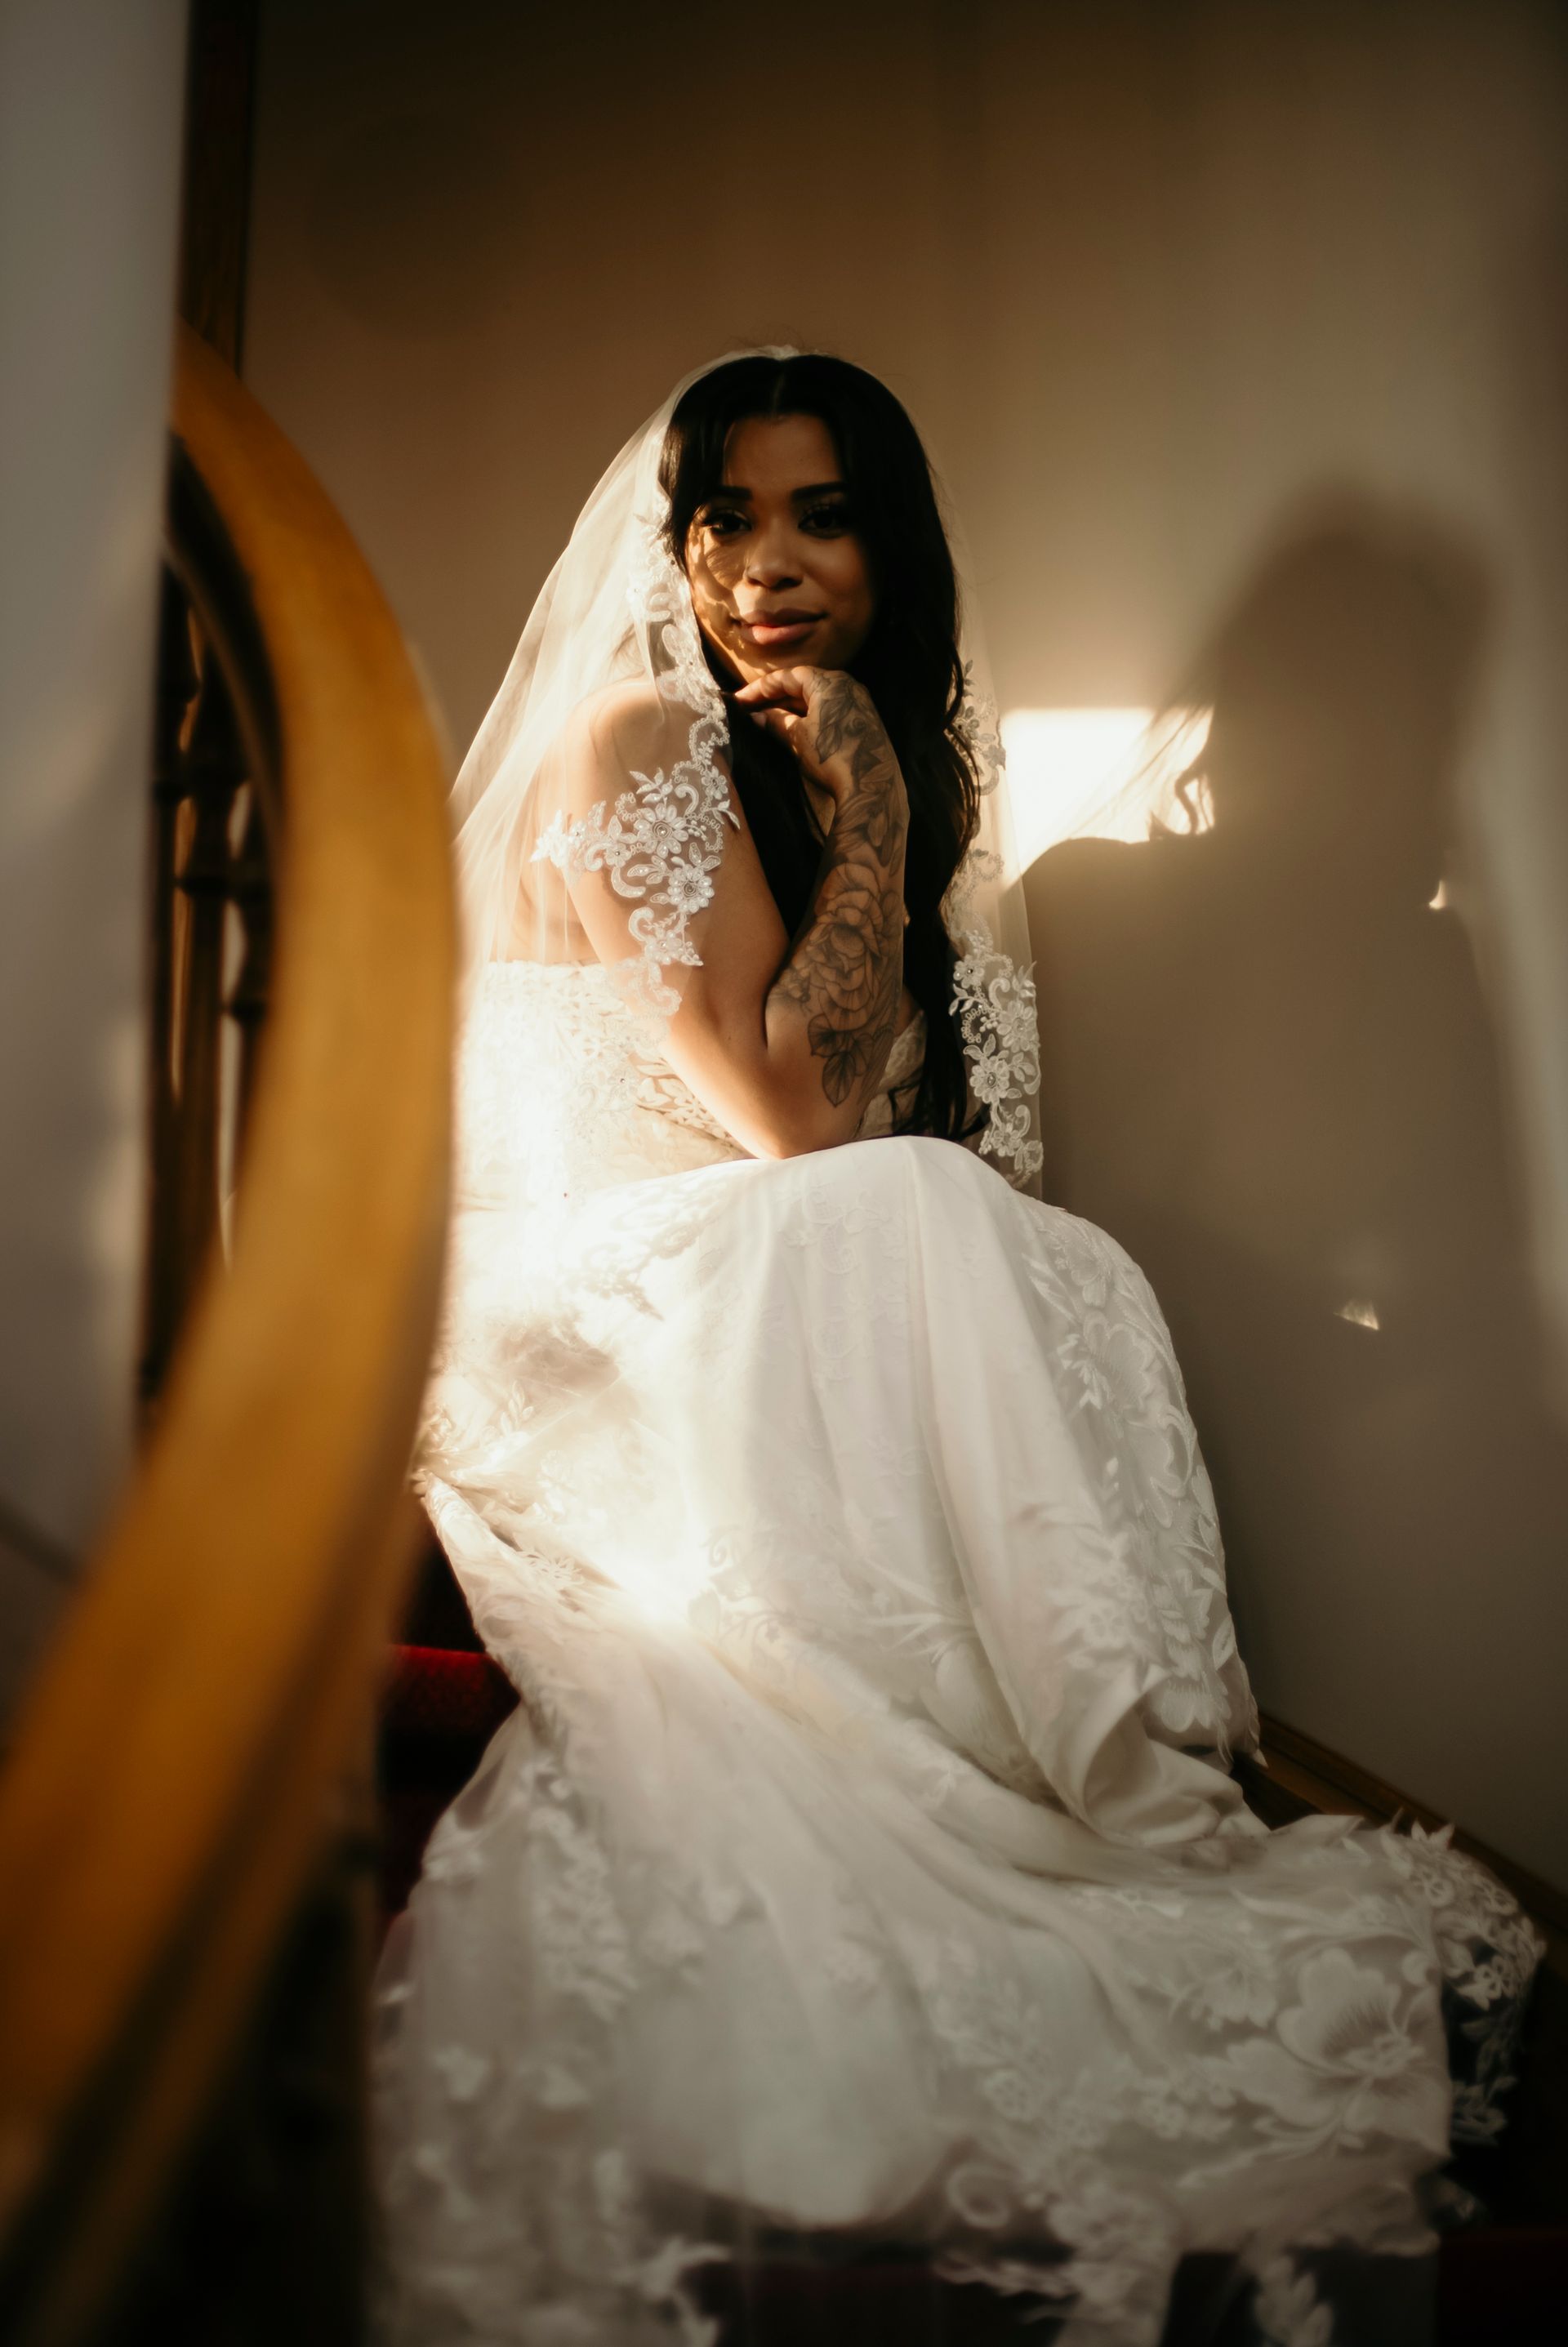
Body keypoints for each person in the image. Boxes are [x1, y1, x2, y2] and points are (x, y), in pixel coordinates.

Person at [372, 353, 1540, 2347]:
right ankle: (1053, 1763)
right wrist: (878, 821)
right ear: (675, 548)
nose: (767, 567)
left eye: (820, 517)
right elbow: (795, 1118)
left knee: (1043, 1246)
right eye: (727, 520)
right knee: (921, 1213)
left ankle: (1065, 1759)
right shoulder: (641, 740)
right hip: (582, 1294)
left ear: (889, 548)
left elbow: (933, 1133)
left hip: (749, 1269)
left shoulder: (867, 768)